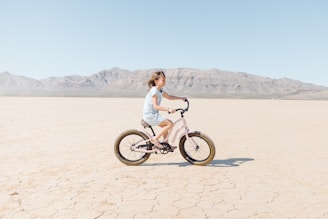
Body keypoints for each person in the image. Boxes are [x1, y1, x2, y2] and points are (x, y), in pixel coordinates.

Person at [142, 70, 186, 149]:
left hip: (154, 114)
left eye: (165, 80)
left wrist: (181, 98)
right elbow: (156, 106)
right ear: (156, 81)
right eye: (163, 80)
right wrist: (168, 109)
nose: (165, 82)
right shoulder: (154, 91)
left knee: (165, 125)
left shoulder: (160, 90)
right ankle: (155, 139)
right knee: (170, 124)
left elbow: (169, 97)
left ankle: (166, 144)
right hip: (150, 115)